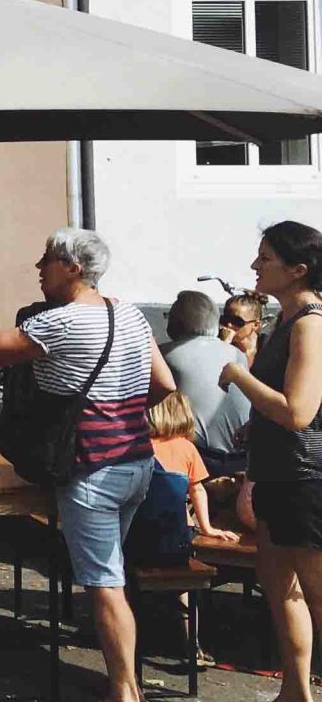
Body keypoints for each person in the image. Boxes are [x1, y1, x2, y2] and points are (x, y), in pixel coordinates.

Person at [0, 227, 174, 702]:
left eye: (47, 260)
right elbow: (162, 384)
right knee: (111, 572)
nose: (39, 268)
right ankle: (123, 674)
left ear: (73, 268)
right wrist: (119, 411)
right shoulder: (131, 314)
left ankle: (125, 691)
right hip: (137, 462)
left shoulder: (60, 323)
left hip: (91, 468)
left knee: (105, 584)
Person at [215, 221, 322, 700]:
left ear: (298, 270)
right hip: (277, 474)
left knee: (316, 593)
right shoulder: (286, 320)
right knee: (278, 586)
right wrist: (254, 420)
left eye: (266, 258)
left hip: (307, 480)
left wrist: (239, 376)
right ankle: (295, 691)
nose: (255, 266)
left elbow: (298, 413)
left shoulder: (311, 325)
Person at [160, 289, 255, 478]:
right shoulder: (237, 354)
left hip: (201, 458)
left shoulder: (165, 354)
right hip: (243, 456)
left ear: (176, 321)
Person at [149, 390, 240, 541]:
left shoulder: (141, 447)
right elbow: (197, 489)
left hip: (143, 526)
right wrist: (207, 528)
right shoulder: (186, 448)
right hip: (178, 528)